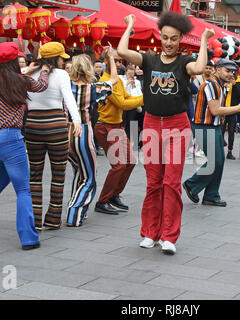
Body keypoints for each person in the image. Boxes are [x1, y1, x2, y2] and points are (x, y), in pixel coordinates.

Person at [117, 11, 215, 255]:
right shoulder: (149, 60)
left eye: (174, 38)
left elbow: (201, 66)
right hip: (151, 125)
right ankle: (150, 232)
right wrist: (129, 26)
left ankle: (169, 236)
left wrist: (204, 39)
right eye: (165, 37)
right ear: (160, 37)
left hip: (177, 127)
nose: (169, 43)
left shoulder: (184, 62)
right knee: (153, 183)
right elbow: (122, 52)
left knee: (171, 183)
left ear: (180, 38)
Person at [0, 42, 51, 250]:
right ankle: (29, 238)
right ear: (14, 61)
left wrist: (27, 70)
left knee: (0, 180)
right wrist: (45, 70)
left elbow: (9, 78)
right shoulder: (20, 80)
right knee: (23, 189)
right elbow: (41, 86)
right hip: (10, 139)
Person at [183, 59, 240, 207]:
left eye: (233, 72)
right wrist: (239, 108)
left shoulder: (220, 85)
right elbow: (215, 110)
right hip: (204, 126)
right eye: (227, 71)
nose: (231, 74)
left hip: (213, 127)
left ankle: (211, 195)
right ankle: (191, 185)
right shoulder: (211, 85)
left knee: (219, 161)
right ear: (217, 70)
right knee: (214, 162)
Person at [25, 42, 82, 231]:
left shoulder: (27, 72)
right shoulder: (62, 75)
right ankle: (53, 219)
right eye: (61, 57)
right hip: (56, 126)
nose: (62, 60)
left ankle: (35, 219)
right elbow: (69, 98)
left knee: (34, 174)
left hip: (33, 125)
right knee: (58, 174)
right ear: (56, 58)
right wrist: (77, 121)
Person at [66, 53, 116, 227]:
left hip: (64, 133)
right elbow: (114, 80)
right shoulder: (93, 88)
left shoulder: (65, 86)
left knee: (78, 172)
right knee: (89, 177)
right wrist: (110, 59)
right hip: (83, 132)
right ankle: (74, 212)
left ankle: (78, 209)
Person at [94, 49, 143, 215]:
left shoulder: (118, 81)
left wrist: (143, 97)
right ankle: (102, 201)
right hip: (106, 127)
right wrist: (145, 98)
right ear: (106, 62)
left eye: (119, 61)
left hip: (117, 126)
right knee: (119, 165)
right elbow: (122, 103)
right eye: (114, 61)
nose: (117, 64)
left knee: (130, 161)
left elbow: (127, 97)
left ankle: (114, 195)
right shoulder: (105, 82)